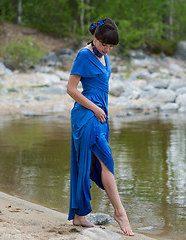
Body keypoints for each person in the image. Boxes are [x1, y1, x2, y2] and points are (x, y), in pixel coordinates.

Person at [66, 17, 134, 236]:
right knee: (106, 162)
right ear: (95, 37)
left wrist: (100, 110)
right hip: (87, 115)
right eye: (104, 44)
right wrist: (95, 109)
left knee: (87, 164)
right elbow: (71, 89)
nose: (107, 49)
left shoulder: (104, 55)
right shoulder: (84, 56)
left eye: (111, 46)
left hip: (101, 116)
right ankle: (120, 212)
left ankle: (79, 216)